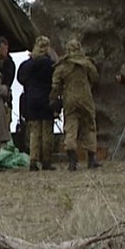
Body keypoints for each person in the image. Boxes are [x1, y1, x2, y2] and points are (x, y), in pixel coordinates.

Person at [51, 38, 101, 171]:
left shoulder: (62, 66)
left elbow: (55, 85)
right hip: (86, 99)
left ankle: (72, 162)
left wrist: (53, 98)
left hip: (70, 99)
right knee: (89, 126)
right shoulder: (87, 64)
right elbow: (95, 77)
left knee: (70, 128)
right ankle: (91, 160)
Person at [17, 35, 56, 171]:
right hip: (46, 99)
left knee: (34, 132)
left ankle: (33, 160)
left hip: (31, 100)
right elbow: (55, 81)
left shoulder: (27, 65)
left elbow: (21, 79)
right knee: (46, 131)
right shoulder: (50, 64)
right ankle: (46, 161)